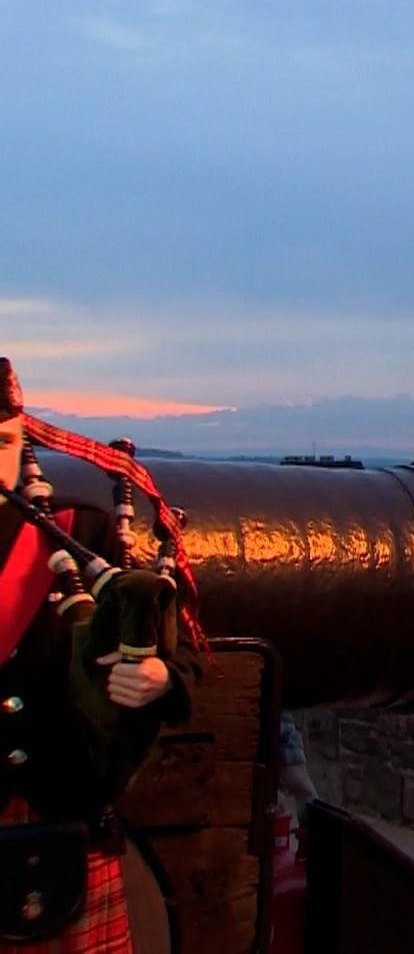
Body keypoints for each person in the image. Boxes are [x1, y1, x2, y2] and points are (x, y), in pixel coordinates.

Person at [1, 358, 194, 953]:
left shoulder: (79, 534)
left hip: (60, 831)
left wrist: (163, 677)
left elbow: (164, 639)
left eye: (4, 440)